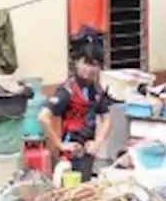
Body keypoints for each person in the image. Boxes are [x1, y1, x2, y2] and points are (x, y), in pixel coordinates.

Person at [40, 43, 113, 181]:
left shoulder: (96, 90)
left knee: (84, 191)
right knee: (70, 193)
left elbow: (107, 119)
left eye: (94, 65)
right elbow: (43, 117)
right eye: (85, 63)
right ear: (77, 63)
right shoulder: (67, 90)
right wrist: (60, 145)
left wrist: (97, 143)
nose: (89, 69)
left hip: (88, 152)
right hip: (69, 155)